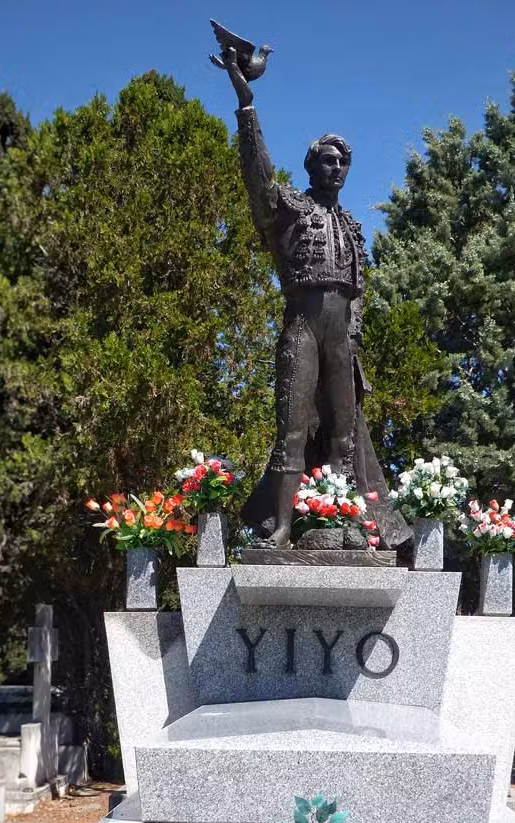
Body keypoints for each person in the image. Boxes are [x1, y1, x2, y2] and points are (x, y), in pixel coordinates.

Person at [222, 47, 409, 549]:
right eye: (329, 161)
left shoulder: (352, 226)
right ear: (312, 167)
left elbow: (358, 294)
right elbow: (259, 178)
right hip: (302, 328)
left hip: (340, 339)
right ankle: (283, 528)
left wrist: (352, 341)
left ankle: (348, 524)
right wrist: (246, 106)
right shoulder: (291, 210)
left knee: (345, 436)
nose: (337, 168)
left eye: (344, 163)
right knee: (292, 430)